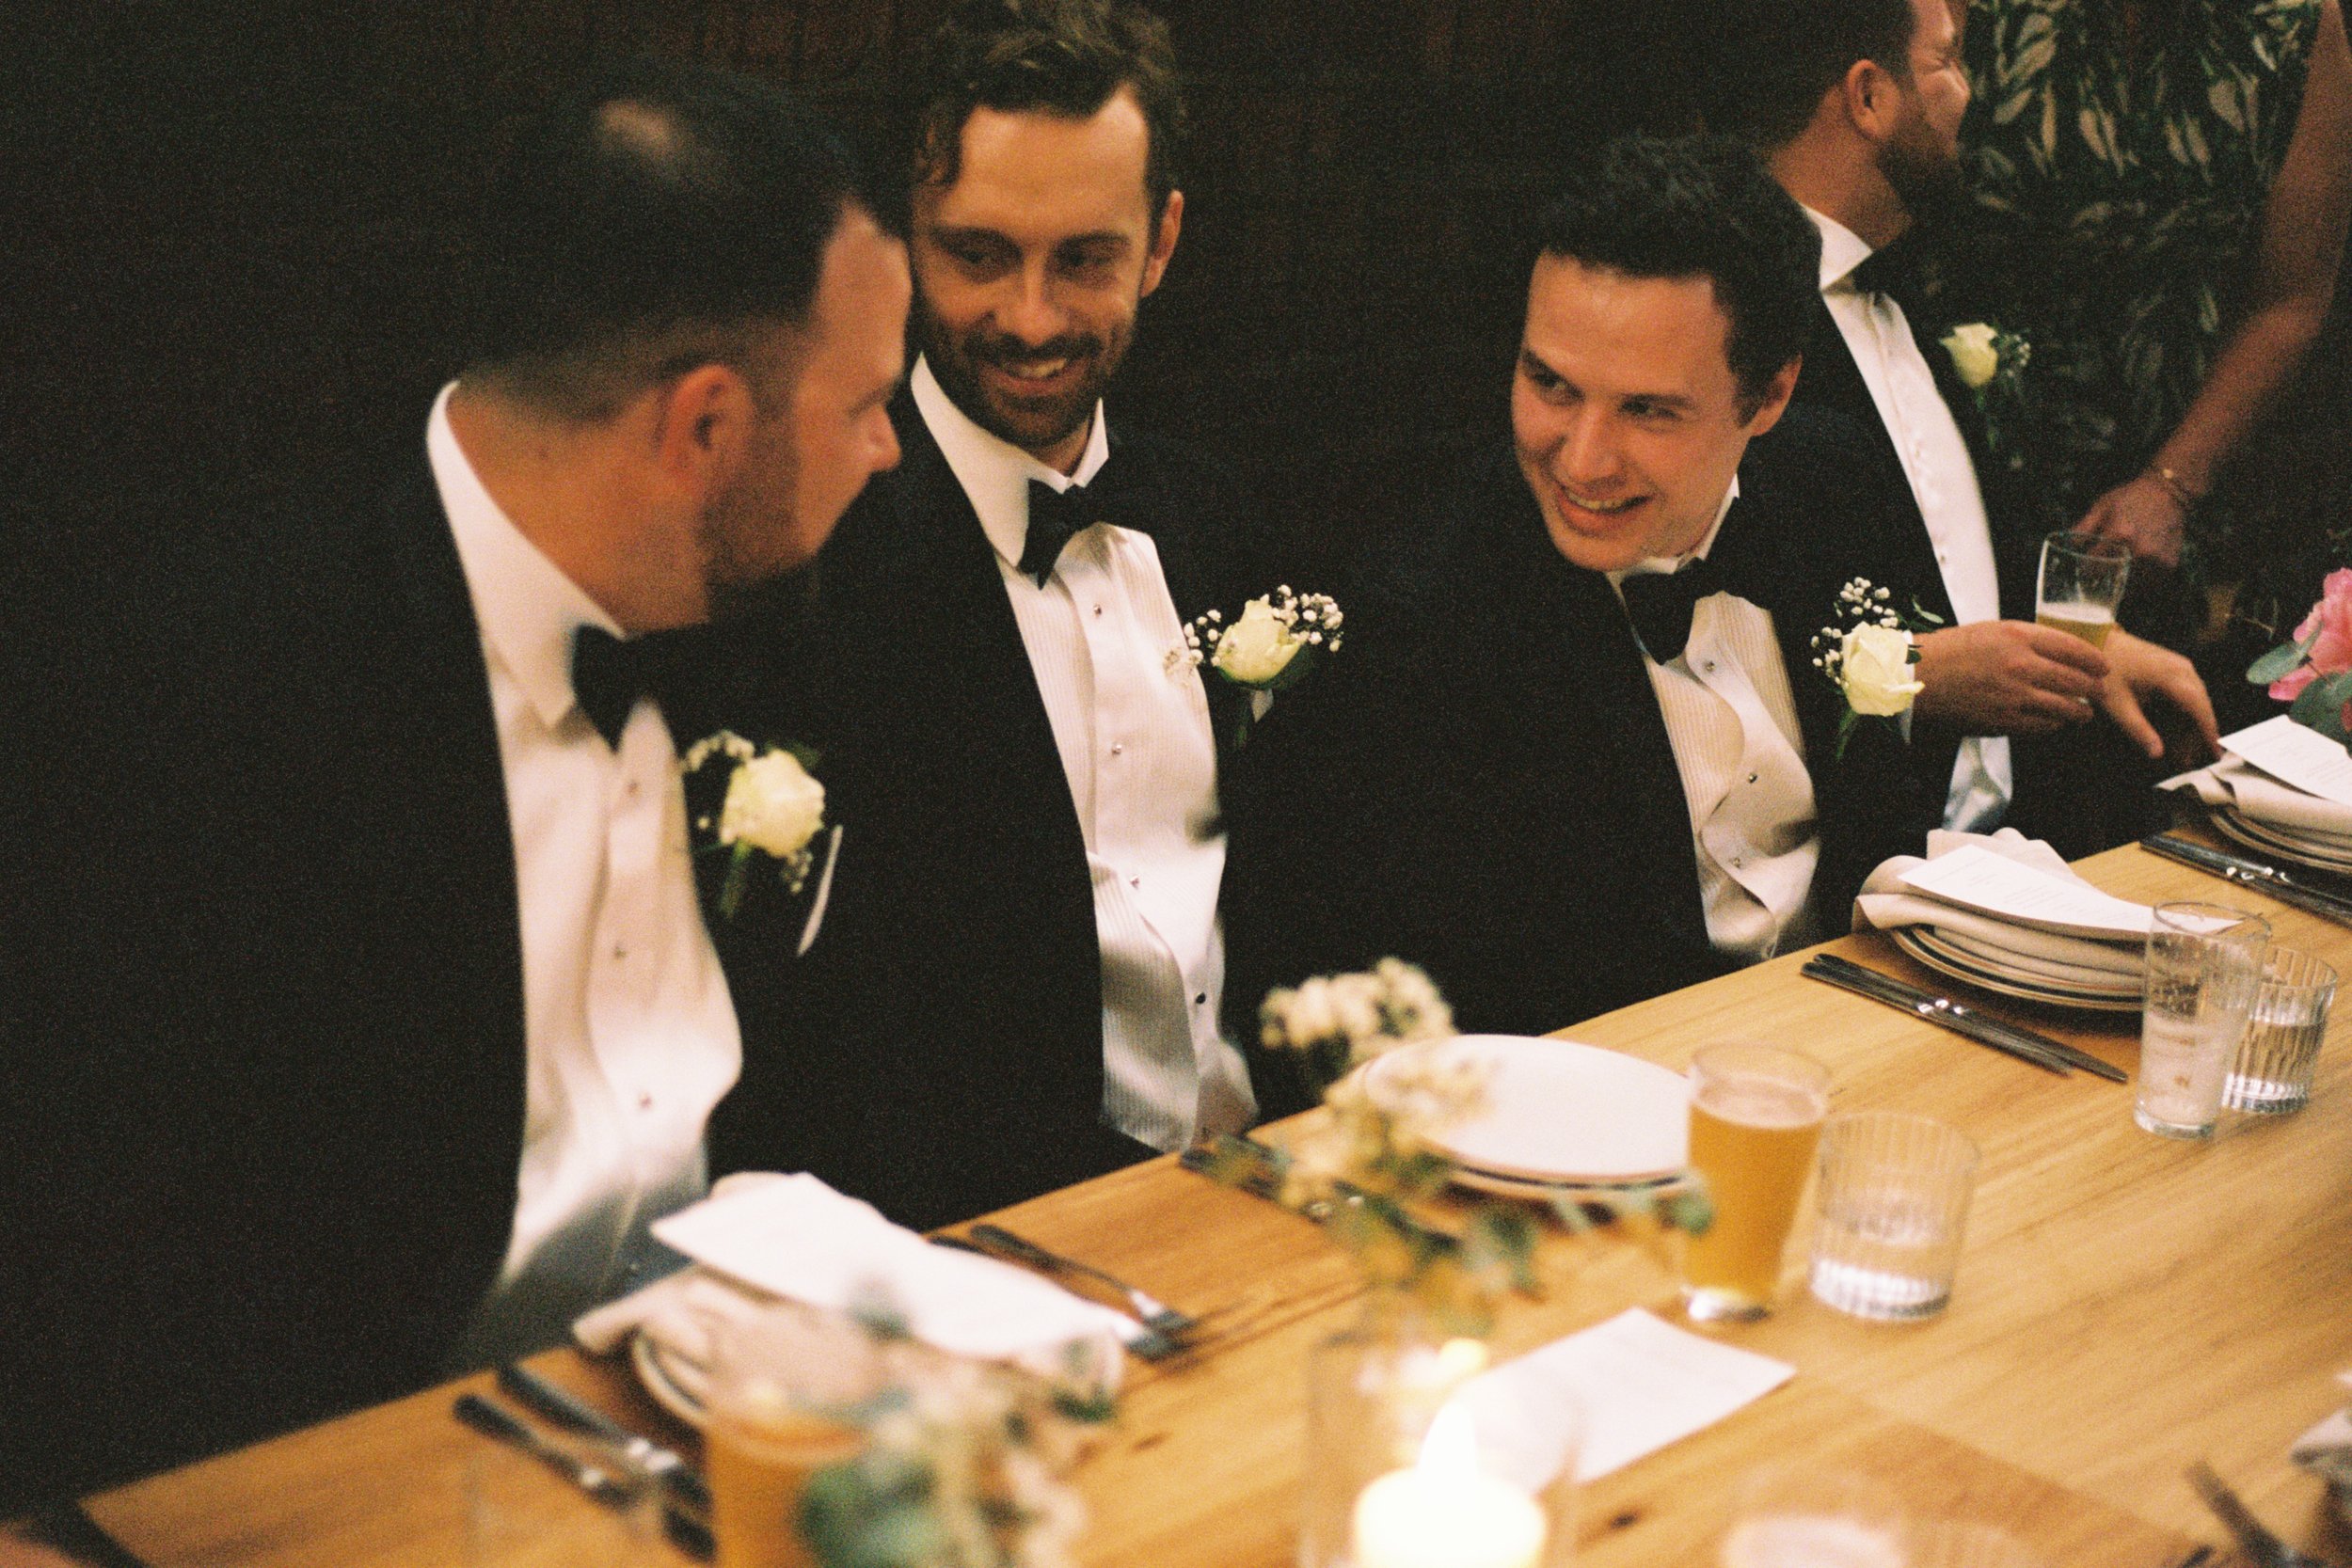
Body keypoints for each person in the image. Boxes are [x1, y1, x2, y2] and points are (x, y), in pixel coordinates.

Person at [0, 59, 908, 1513]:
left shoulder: (777, 633)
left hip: (723, 1446)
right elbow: (110, 1304)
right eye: (866, 400)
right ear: (704, 432)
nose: (890, 446)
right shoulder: (203, 707)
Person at [717, 0, 1281, 1228]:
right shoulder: (810, 566)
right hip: (987, 1254)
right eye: (978, 254)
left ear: (1162, 242)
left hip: (1270, 1195)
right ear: (906, 242)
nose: (1030, 317)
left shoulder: (1218, 515)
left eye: (1084, 256)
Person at [1247, 135, 1944, 1036]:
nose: (1581, 459)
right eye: (1551, 384)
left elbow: (1886, 825)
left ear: (1769, 397)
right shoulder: (1417, 631)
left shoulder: (1833, 489)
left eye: (1647, 410)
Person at [1712, 0, 2218, 853]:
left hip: (2006, 850)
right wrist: (1906, 679)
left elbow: (1936, 554)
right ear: (1869, 97)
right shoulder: (1731, 323)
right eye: (1947, 63)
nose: (1970, 97)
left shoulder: (1903, 299)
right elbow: (1696, 637)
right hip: (1836, 878)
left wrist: (2084, 650)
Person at [1953, 0, 2352, 594]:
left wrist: (2171, 484)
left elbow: (2290, 298)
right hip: (1967, 437)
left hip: (2178, 468)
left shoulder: (2293, 23)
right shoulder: (1981, 14)